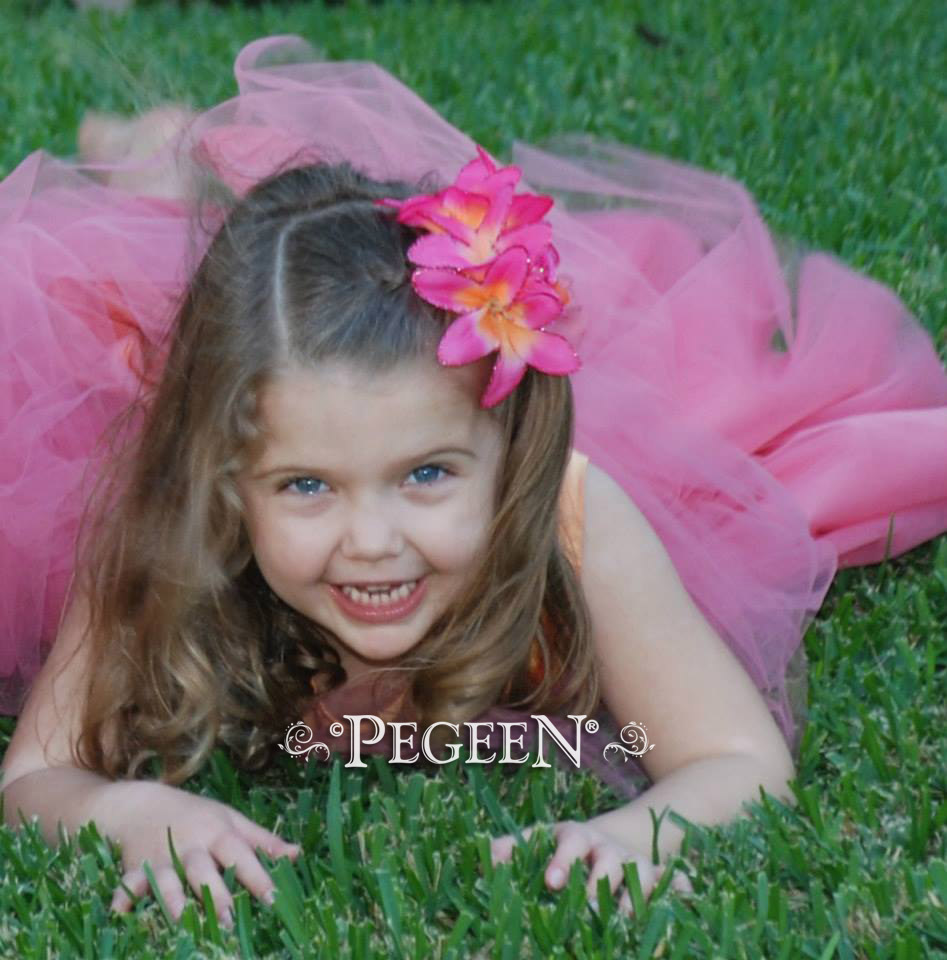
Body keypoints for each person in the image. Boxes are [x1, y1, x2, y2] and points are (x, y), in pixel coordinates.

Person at [2, 34, 945, 929]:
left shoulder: (571, 518)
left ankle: (161, 155)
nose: (372, 538)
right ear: (226, 483)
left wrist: (636, 830)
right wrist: (121, 813)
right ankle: (152, 155)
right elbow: (32, 778)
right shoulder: (163, 521)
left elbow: (737, 759)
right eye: (304, 487)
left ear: (509, 445)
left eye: (424, 474)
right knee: (161, 268)